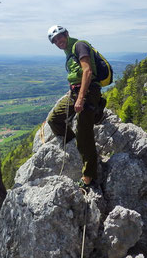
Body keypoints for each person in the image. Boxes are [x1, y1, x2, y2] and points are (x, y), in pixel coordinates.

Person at [46, 25, 101, 188]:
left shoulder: (79, 46)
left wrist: (81, 98)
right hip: (76, 92)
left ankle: (89, 175)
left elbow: (87, 71)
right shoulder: (68, 52)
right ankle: (76, 145)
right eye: (55, 40)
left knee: (84, 133)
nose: (58, 41)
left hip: (88, 92)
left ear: (67, 34)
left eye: (60, 37)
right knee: (54, 119)